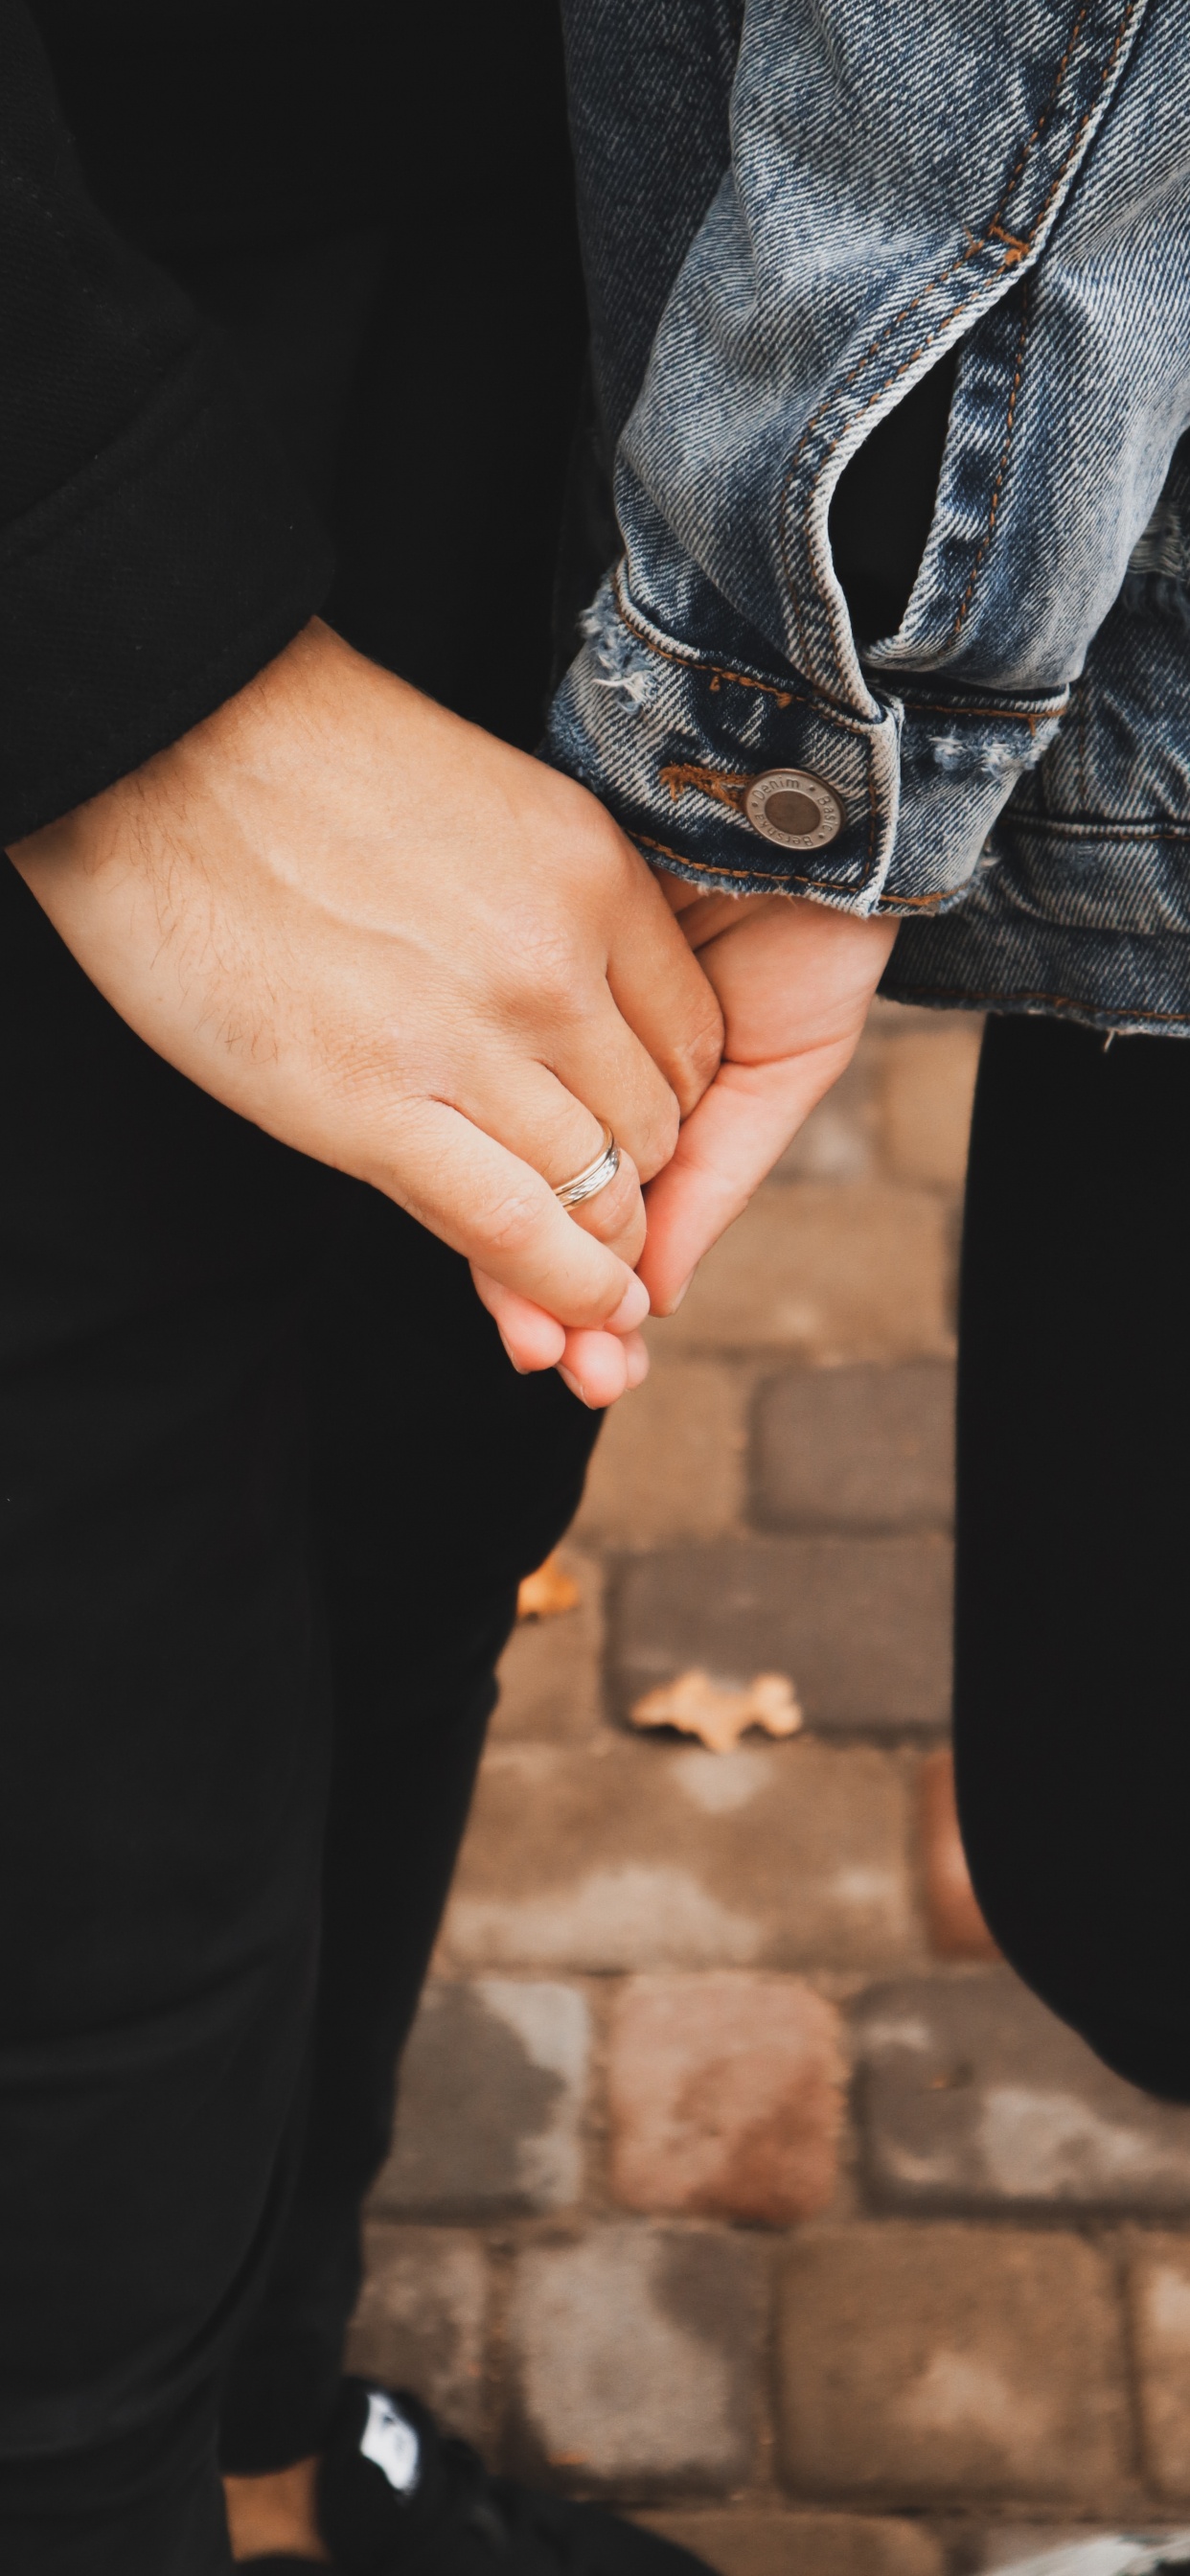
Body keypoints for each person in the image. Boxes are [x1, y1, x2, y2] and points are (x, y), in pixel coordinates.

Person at [4, 1, 1190, 2573]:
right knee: (71, 1840)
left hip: (590, 268)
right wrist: (103, 626)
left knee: (406, 1510)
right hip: (92, 269)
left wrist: (800, 634)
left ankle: (266, 2466)